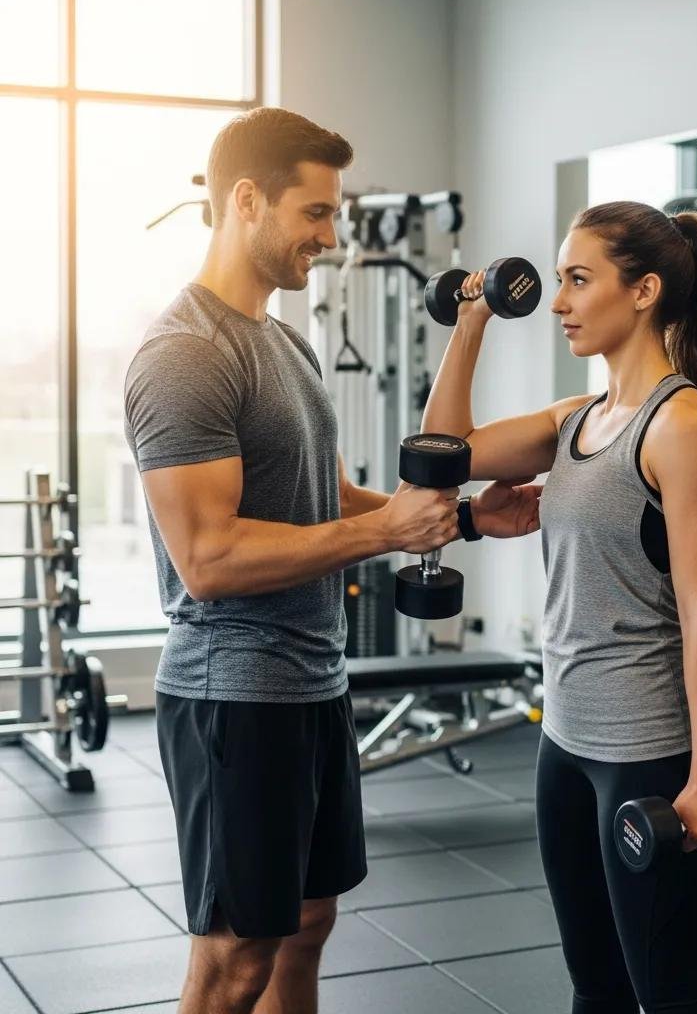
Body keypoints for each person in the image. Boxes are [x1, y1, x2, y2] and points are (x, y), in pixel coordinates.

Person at [123, 106, 542, 1014]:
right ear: (246, 201)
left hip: (313, 682)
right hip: (231, 692)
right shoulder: (185, 355)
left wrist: (463, 520)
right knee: (235, 955)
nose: (331, 234)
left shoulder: (286, 341)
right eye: (314, 213)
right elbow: (208, 556)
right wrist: (389, 533)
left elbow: (332, 499)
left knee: (309, 923)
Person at [421, 201, 697, 1013]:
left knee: (670, 993)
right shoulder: (579, 419)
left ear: (644, 292)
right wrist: (471, 321)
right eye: (558, 280)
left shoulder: (682, 427)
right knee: (594, 988)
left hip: (644, 751)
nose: (557, 301)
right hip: (563, 740)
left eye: (577, 279)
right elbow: (439, 459)